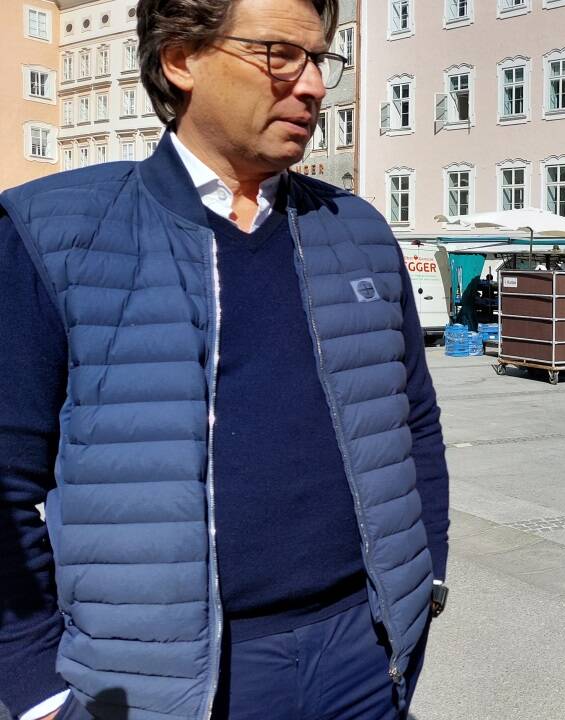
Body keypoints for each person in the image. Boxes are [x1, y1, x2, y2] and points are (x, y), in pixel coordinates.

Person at [0, 0, 450, 717]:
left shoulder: (357, 230)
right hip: (167, 686)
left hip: (362, 660)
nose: (311, 86)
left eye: (320, 59)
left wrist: (420, 586)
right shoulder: (57, 235)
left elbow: (413, 423)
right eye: (280, 54)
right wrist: (33, 690)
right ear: (182, 58)